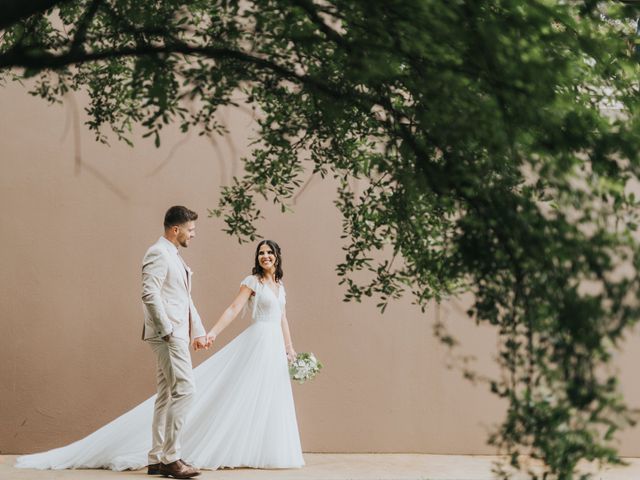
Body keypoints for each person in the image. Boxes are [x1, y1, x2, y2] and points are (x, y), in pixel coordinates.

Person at [16, 238, 304, 473]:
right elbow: (232, 309)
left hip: (273, 346)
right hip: (254, 343)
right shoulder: (252, 281)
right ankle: (180, 452)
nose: (265, 256)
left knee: (269, 395)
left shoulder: (280, 287)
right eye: (261, 252)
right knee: (234, 392)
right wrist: (212, 333)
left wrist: (289, 349)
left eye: (269, 252)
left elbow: (283, 319)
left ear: (278, 256)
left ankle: (263, 448)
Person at [141, 206, 210, 479]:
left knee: (166, 393)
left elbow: (184, 298)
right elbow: (150, 294)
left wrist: (198, 332)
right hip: (168, 335)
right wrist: (168, 330)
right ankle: (171, 458)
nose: (193, 235)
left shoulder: (174, 255)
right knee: (185, 390)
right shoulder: (158, 252)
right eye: (190, 230)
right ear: (176, 229)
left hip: (176, 333)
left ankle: (157, 458)